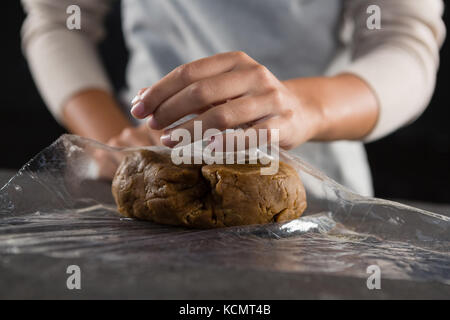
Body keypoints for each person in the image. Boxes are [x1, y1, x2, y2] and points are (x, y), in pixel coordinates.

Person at [21, 0, 446, 195]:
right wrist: (113, 141)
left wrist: (302, 108)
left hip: (316, 192)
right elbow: (59, 20)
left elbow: (402, 43)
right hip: (150, 173)